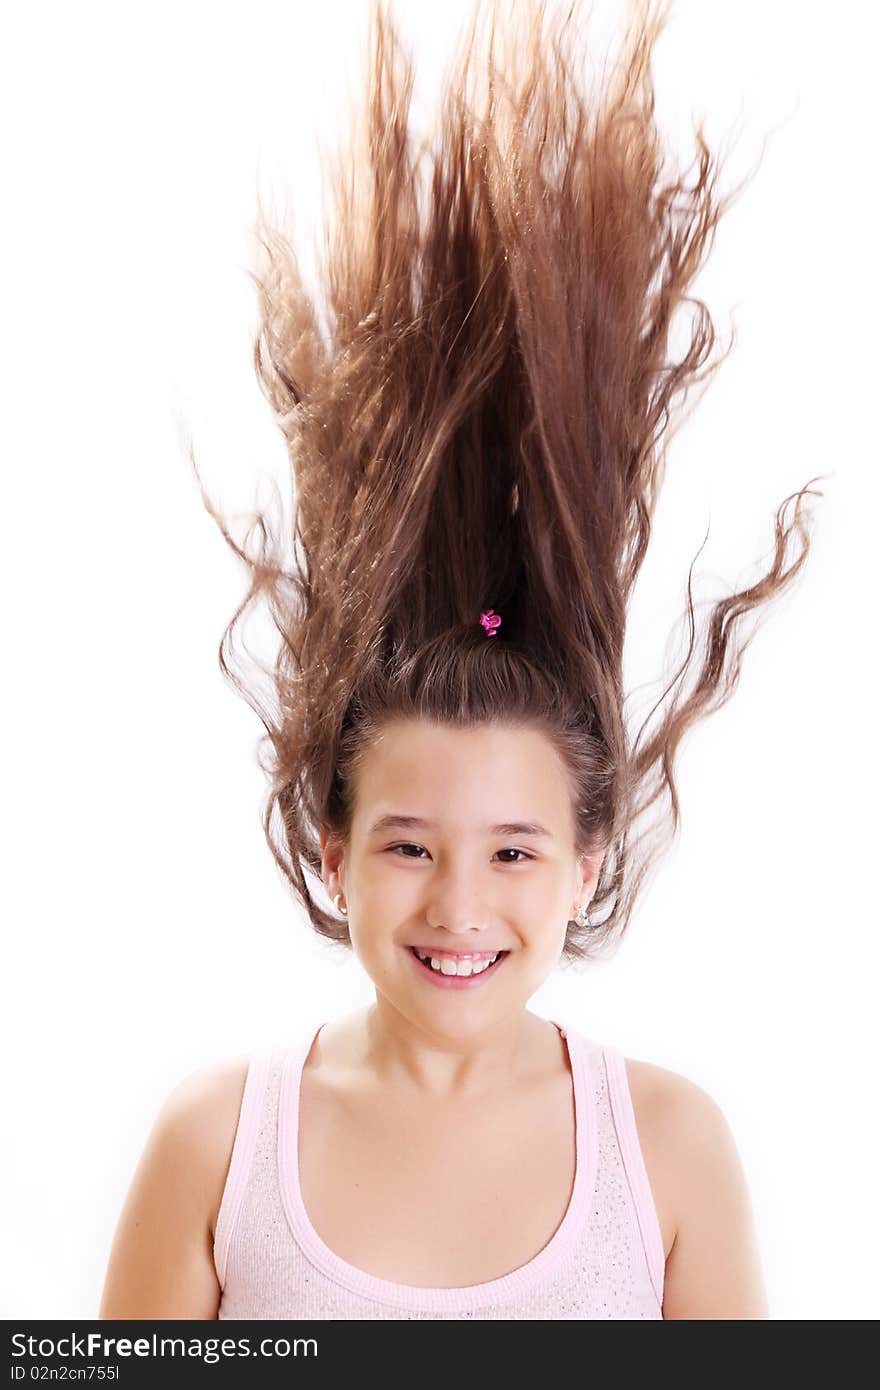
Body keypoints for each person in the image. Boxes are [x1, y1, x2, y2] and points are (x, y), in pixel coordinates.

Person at [99, 0, 821, 1320]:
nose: (459, 908)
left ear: (588, 862)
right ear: (333, 851)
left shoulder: (669, 1155)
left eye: (514, 850)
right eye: (409, 844)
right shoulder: (215, 1145)